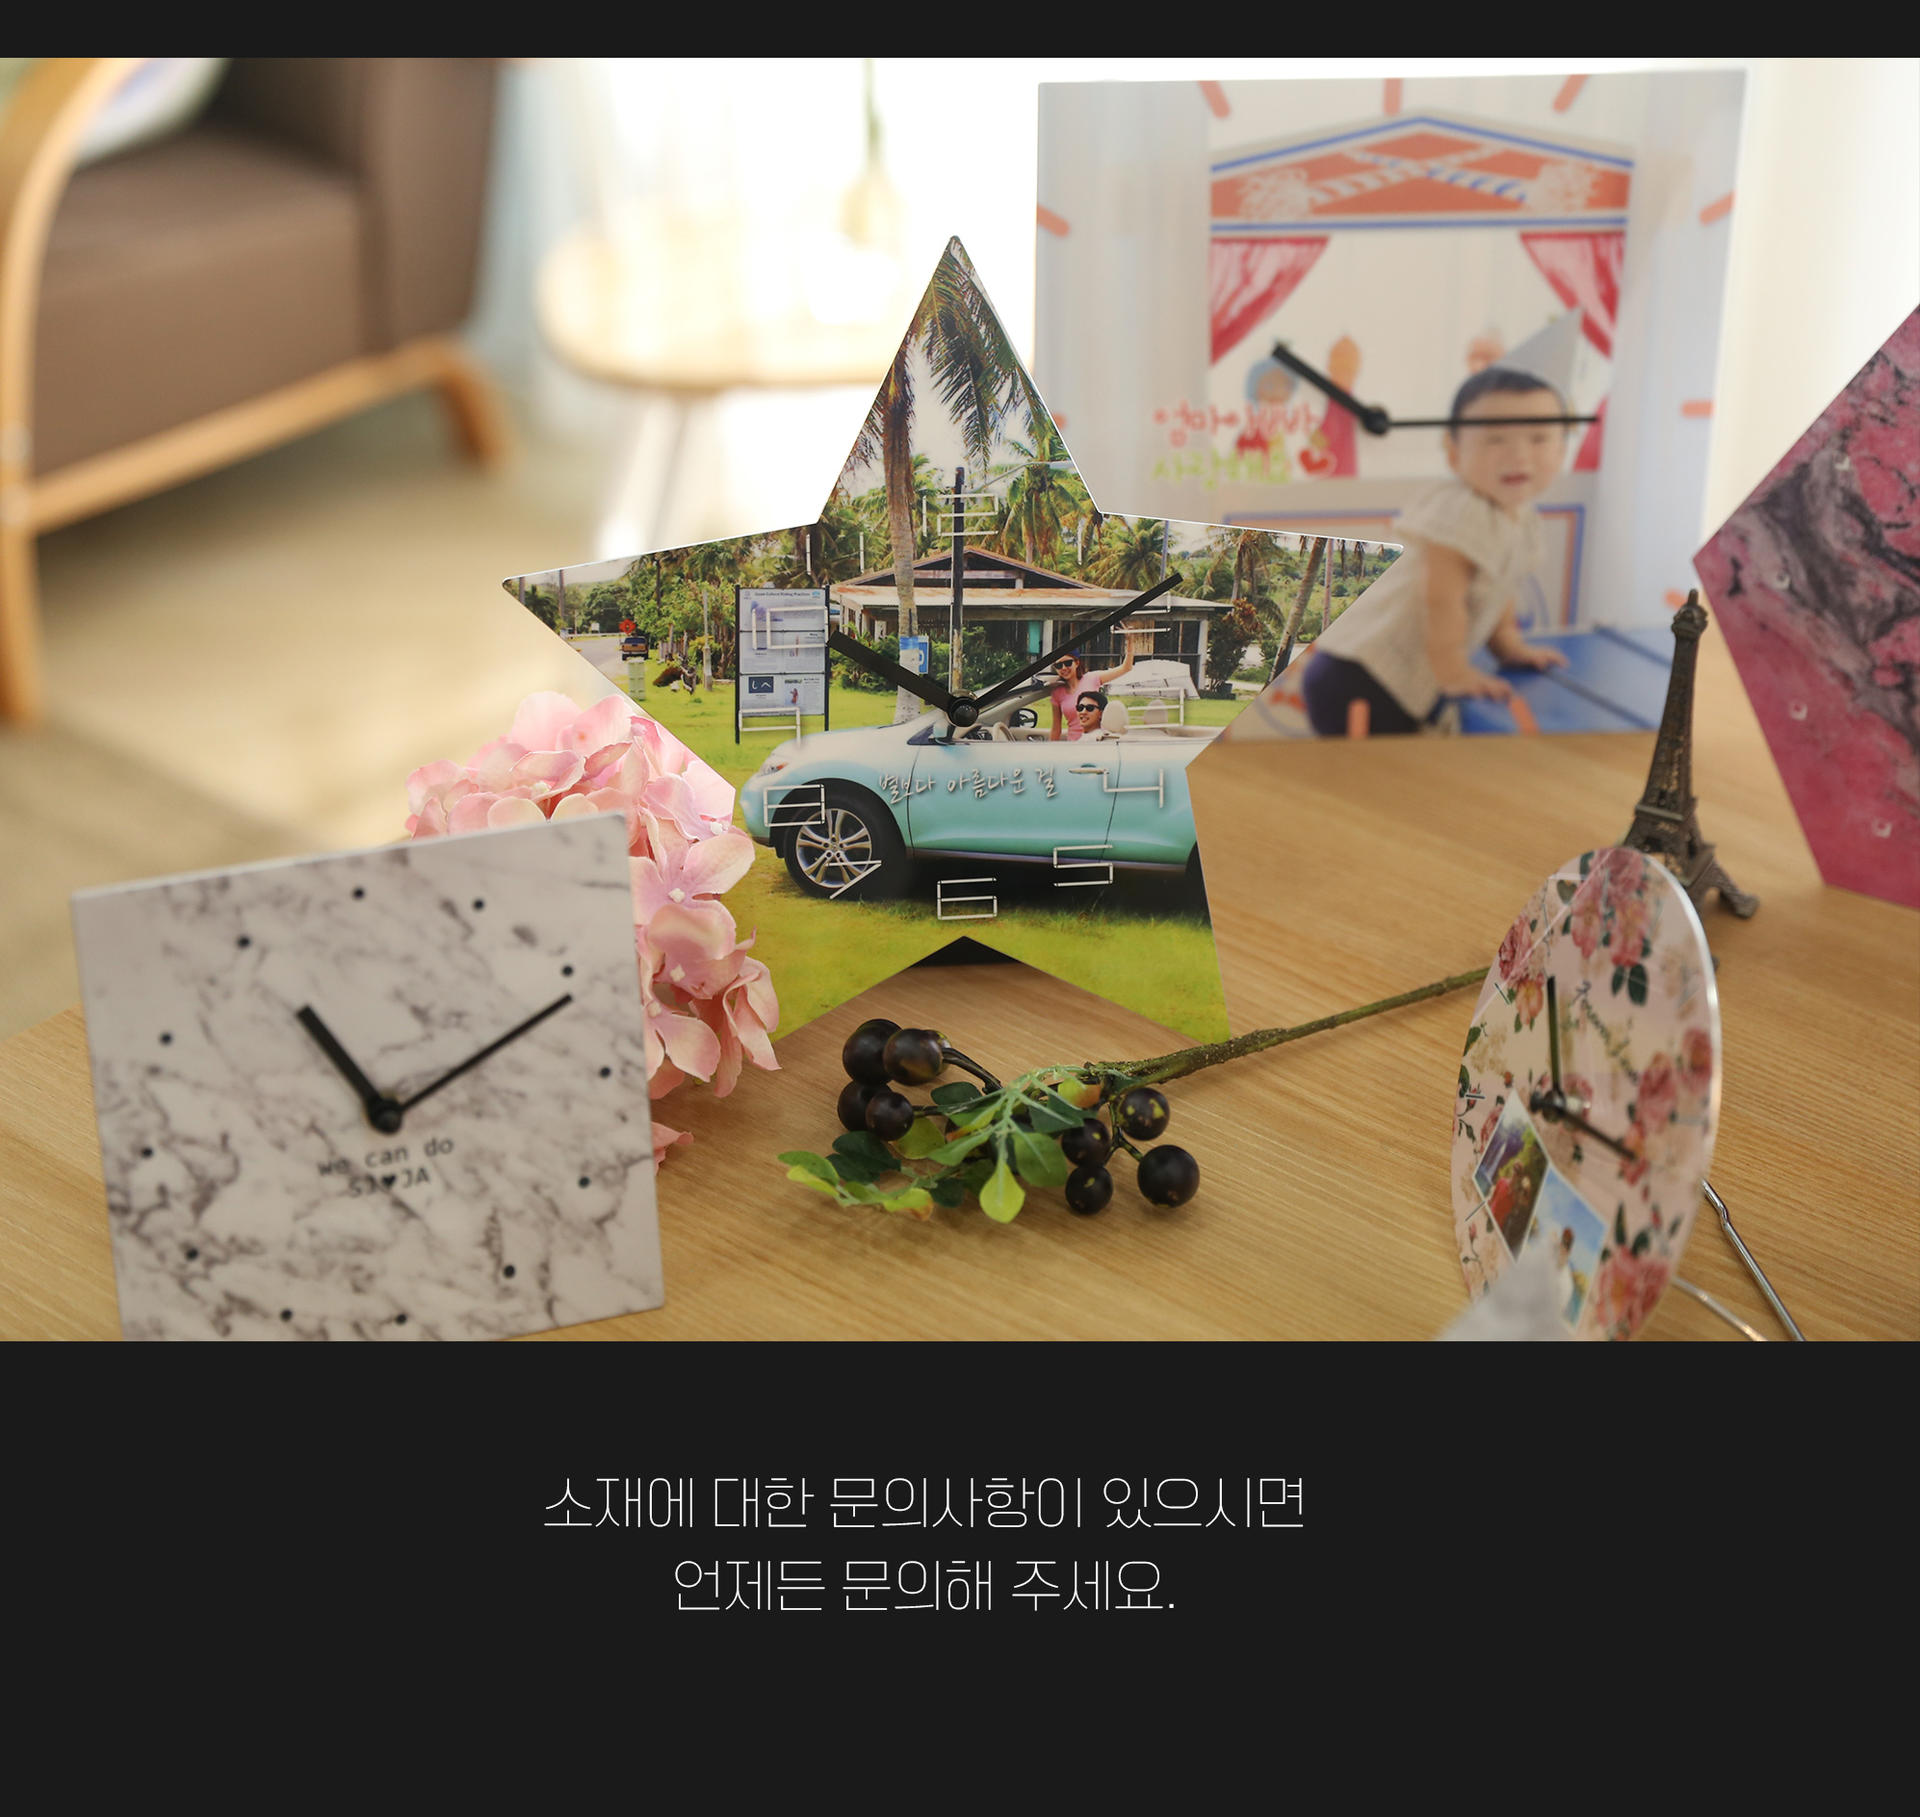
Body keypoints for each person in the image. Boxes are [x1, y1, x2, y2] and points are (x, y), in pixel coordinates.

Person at [1297, 367, 1571, 736]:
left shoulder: (1522, 517)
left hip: (1399, 679)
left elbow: (1500, 584)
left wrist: (1507, 644)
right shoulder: (1460, 509)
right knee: (1369, 770)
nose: (1519, 455)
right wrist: (1453, 671)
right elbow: (1441, 598)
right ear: (1454, 452)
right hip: (1358, 675)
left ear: (1562, 449)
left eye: (1539, 439)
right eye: (1495, 440)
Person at [1050, 644, 1136, 741]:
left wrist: (1130, 644)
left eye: (1068, 663)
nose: (1063, 668)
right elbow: (1056, 728)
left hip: (1096, 741)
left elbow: (1126, 668)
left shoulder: (1092, 678)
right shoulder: (1057, 693)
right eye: (1058, 665)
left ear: (1077, 663)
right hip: (1074, 744)